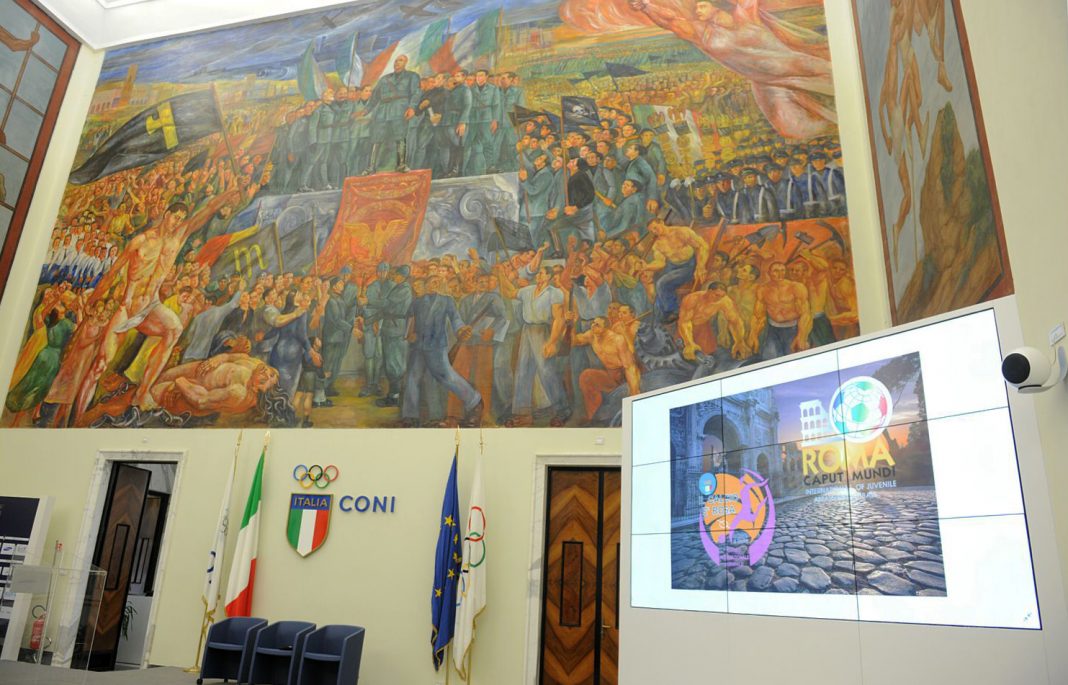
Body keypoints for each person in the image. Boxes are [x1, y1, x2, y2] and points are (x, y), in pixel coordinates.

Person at [401, 274, 482, 426]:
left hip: (436, 346)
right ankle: (410, 416)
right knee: (412, 378)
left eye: (437, 282)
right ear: (426, 284)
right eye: (432, 282)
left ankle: (474, 401)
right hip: (418, 346)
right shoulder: (417, 302)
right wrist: (409, 334)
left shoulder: (447, 301)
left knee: (446, 376)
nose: (434, 285)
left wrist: (461, 330)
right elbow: (409, 320)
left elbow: (455, 319)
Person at [510, 266, 570, 426]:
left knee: (546, 371)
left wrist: (552, 342)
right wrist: (506, 276)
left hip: (543, 331)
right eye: (537, 273)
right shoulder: (528, 290)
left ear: (549, 276)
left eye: (541, 273)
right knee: (523, 370)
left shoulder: (554, 293)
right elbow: (510, 293)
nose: (538, 275)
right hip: (527, 330)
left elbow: (559, 319)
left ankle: (562, 410)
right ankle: (523, 413)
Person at [149, 352, 280, 417]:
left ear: (256, 389)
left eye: (263, 380)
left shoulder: (238, 393)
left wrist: (179, 382)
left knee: (154, 392)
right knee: (159, 377)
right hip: (198, 370)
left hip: (188, 391)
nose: (266, 372)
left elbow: (201, 401)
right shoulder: (256, 364)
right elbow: (229, 357)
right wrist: (218, 359)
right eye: (272, 374)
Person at [573, 316, 641, 421]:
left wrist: (634, 392)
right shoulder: (591, 336)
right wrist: (571, 324)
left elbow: (629, 367)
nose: (593, 326)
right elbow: (574, 341)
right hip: (610, 375)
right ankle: (594, 417)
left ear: (606, 328)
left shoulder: (617, 340)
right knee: (586, 376)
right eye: (593, 323)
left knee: (630, 399)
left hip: (624, 376)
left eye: (597, 325)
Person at [643, 217, 709, 323]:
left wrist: (701, 266)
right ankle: (659, 318)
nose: (655, 232)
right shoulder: (657, 244)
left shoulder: (681, 232)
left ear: (662, 222)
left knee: (662, 283)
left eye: (655, 228)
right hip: (672, 266)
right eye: (652, 231)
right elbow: (660, 263)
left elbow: (702, 246)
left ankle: (674, 311)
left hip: (689, 265)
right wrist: (646, 267)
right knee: (658, 287)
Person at [365, 54, 421, 173]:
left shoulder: (412, 76)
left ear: (405, 63)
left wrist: (412, 107)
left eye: (400, 61)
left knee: (400, 137)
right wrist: (365, 111)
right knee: (377, 139)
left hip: (400, 110)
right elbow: (375, 97)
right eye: (396, 61)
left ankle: (401, 164)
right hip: (383, 111)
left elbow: (416, 93)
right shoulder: (384, 79)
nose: (397, 63)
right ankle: (371, 167)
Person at [748, 261, 812, 359]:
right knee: (769, 357)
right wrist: (753, 335)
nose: (780, 274)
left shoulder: (796, 287)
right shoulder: (763, 289)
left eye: (782, 270)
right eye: (776, 271)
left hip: (793, 329)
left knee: (794, 358)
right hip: (773, 329)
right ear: (769, 273)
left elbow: (805, 314)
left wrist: (801, 336)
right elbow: (758, 315)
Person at [677, 282, 748, 361]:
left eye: (722, 296)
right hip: (686, 328)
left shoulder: (725, 301)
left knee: (707, 353)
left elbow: (735, 322)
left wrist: (739, 341)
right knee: (682, 352)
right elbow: (684, 322)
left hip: (703, 327)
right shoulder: (692, 298)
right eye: (716, 295)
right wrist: (689, 343)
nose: (719, 299)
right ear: (709, 291)